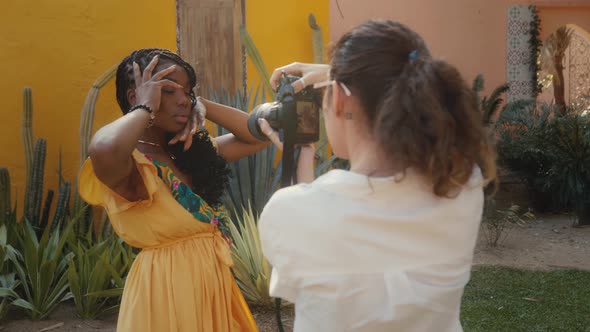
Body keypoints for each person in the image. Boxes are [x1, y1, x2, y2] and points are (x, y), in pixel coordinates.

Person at [257, 19, 497, 332]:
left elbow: (320, 231)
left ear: (341, 100)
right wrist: (344, 77)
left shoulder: (288, 212)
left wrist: (301, 154)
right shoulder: (463, 186)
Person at [78, 48, 266, 331]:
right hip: (165, 294)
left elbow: (260, 135)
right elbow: (103, 147)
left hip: (214, 289)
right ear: (137, 96)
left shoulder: (190, 151)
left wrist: (204, 105)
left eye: (187, 92)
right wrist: (144, 107)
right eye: (168, 91)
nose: (183, 100)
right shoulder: (132, 164)